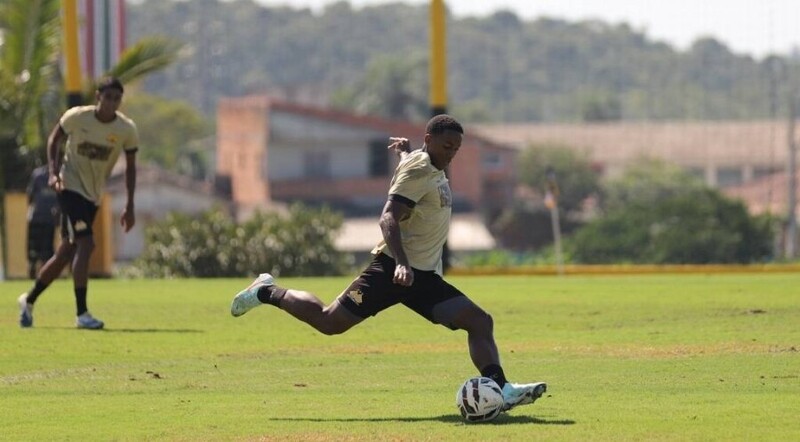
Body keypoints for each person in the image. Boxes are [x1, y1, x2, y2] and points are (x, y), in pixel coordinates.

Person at [230, 114, 547, 412]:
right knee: (329, 322)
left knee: (479, 321)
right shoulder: (419, 169)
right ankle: (266, 291)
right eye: (447, 146)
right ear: (429, 139)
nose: (452, 152)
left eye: (457, 148)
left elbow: (412, 174)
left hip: (420, 279)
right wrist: (402, 264)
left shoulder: (425, 164)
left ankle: (500, 388)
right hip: (391, 271)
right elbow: (388, 218)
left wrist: (406, 153)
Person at [18, 77, 139, 330]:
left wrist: (129, 204)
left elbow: (130, 168)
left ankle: (28, 300)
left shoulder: (126, 130)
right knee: (86, 242)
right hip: (69, 188)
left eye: (116, 99)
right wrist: (53, 172)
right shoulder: (78, 117)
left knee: (65, 254)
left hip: (92, 196)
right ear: (98, 97)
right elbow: (55, 139)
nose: (111, 103)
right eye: (107, 97)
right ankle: (82, 313)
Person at [26, 165, 60, 279]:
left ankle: (43, 276)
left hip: (47, 220)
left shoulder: (61, 176)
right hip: (37, 218)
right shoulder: (38, 175)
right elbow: (30, 195)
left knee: (46, 251)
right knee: (35, 250)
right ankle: (35, 275)